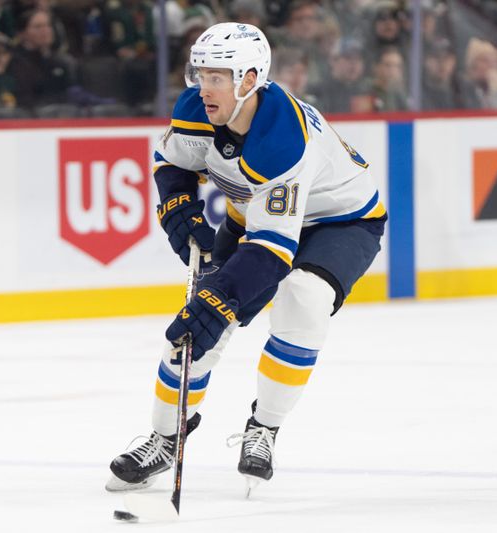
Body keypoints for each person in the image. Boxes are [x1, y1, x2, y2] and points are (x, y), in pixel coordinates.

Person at [105, 22, 386, 492]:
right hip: (252, 215)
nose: (204, 87)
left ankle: (264, 428)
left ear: (250, 80)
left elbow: (275, 251)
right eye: (200, 73)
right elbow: (171, 161)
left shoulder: (283, 139)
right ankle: (164, 437)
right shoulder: (196, 109)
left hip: (341, 221)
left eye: (219, 77)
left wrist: (221, 299)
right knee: (197, 329)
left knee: (303, 298)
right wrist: (178, 207)